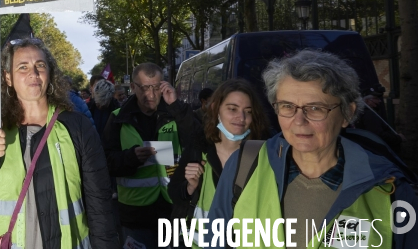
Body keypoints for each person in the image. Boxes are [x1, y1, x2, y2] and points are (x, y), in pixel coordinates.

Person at [208, 49, 418, 248]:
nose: (299, 121)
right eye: (288, 106)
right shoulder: (244, 167)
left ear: (347, 113)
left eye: (315, 108)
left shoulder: (391, 191)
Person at [0, 38, 119, 249]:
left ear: (49, 74)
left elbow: (99, 204)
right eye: (23, 67)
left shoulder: (77, 126)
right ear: (8, 77)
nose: (33, 74)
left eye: (40, 66)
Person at [104, 62, 199, 249]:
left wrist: (176, 105)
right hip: (135, 216)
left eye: (156, 87)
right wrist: (130, 158)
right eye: (145, 88)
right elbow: (106, 162)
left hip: (173, 210)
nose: (151, 94)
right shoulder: (118, 118)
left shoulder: (174, 112)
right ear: (133, 87)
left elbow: (198, 138)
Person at [168, 79, 270, 247]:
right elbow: (174, 193)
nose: (241, 117)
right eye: (232, 109)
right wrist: (190, 188)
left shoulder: (264, 155)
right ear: (216, 108)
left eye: (248, 111)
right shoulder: (197, 149)